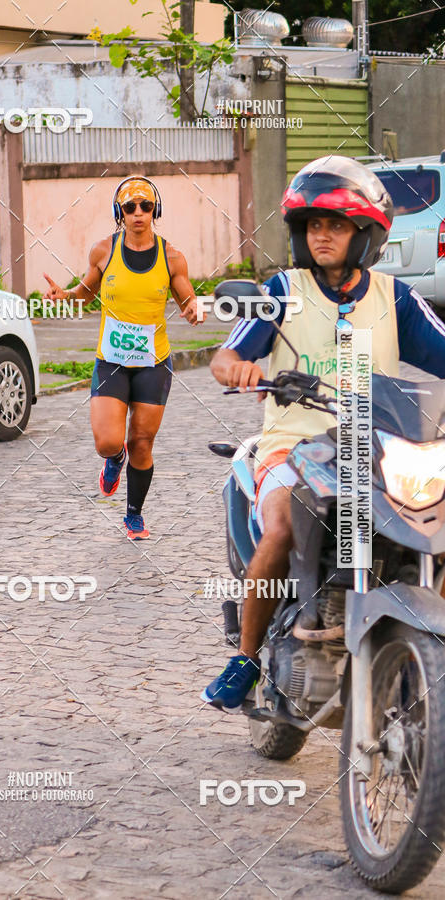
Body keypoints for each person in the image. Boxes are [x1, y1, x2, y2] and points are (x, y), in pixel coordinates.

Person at [202, 155, 445, 712]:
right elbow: (226, 355)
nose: (322, 235)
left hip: (376, 445)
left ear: (366, 234)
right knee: (286, 520)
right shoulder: (284, 290)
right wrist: (237, 367)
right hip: (292, 445)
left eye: (335, 224)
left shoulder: (395, 298)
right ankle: (245, 659)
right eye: (313, 225)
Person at [44, 175, 204, 539]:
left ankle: (134, 515)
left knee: (142, 443)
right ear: (120, 211)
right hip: (112, 362)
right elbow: (85, 294)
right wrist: (64, 296)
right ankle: (114, 461)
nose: (138, 213)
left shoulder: (172, 257)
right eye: (130, 207)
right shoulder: (104, 251)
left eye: (145, 206)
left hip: (153, 363)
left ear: (155, 210)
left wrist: (195, 309)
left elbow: (187, 300)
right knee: (109, 442)